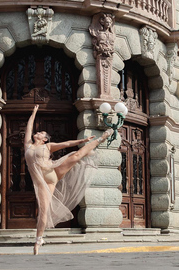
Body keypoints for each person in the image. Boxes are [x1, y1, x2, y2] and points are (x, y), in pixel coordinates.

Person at [24, 104, 113, 255]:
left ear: (44, 139)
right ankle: (39, 240)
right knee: (44, 211)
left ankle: (101, 138)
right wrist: (33, 112)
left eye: (41, 133)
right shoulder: (28, 145)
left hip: (53, 172)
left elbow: (65, 144)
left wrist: (81, 141)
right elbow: (29, 127)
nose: (37, 133)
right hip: (42, 183)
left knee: (76, 155)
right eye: (38, 132)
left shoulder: (48, 146)